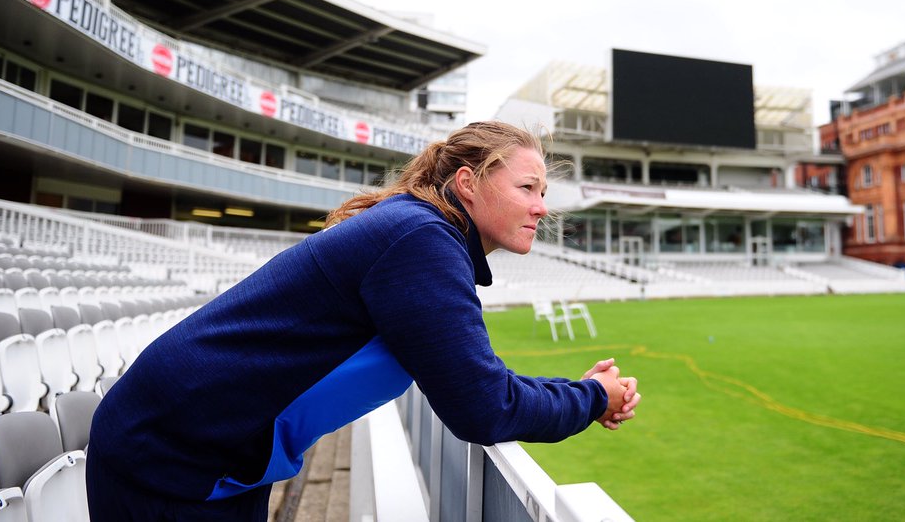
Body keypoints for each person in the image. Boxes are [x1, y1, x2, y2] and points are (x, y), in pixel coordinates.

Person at [86, 121, 640, 520]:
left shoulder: (420, 234)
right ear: (468, 184)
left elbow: (477, 379)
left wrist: (583, 390)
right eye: (527, 188)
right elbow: (483, 409)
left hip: (207, 455)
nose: (542, 207)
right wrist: (593, 401)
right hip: (168, 460)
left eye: (544, 192)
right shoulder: (421, 241)